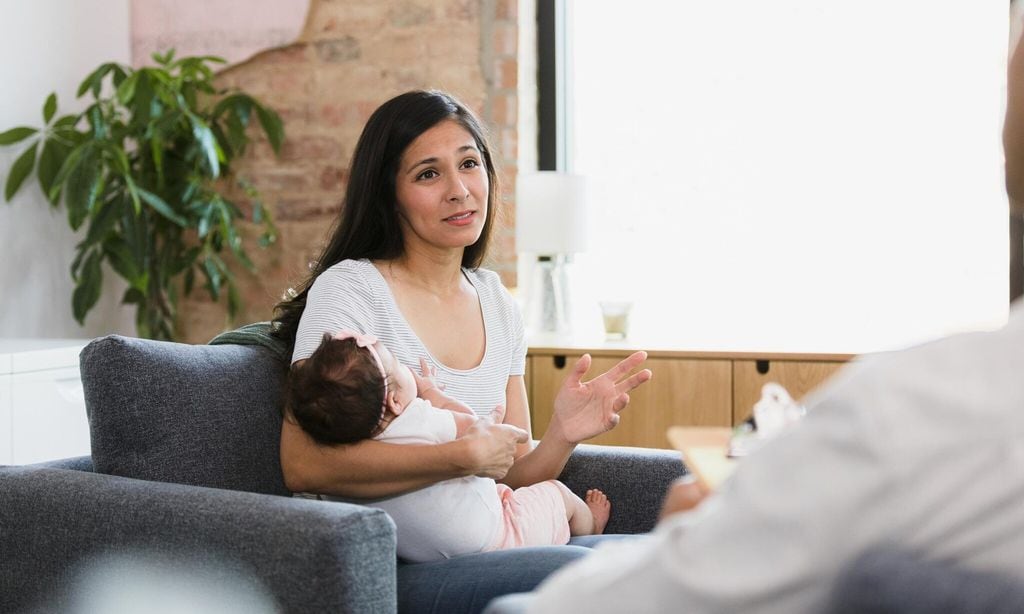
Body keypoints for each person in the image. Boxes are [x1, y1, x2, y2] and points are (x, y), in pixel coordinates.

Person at [481, 30, 1024, 614]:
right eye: (429, 174)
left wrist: (692, 533)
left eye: (470, 165)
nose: (461, 189)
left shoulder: (922, 407)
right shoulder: (930, 409)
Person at [287, 329, 612, 563]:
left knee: (492, 495)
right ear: (396, 401)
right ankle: (588, 524)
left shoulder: (351, 462)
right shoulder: (421, 419)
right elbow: (472, 425)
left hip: (427, 554)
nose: (409, 369)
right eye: (400, 365)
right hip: (501, 536)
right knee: (557, 494)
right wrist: (432, 392)